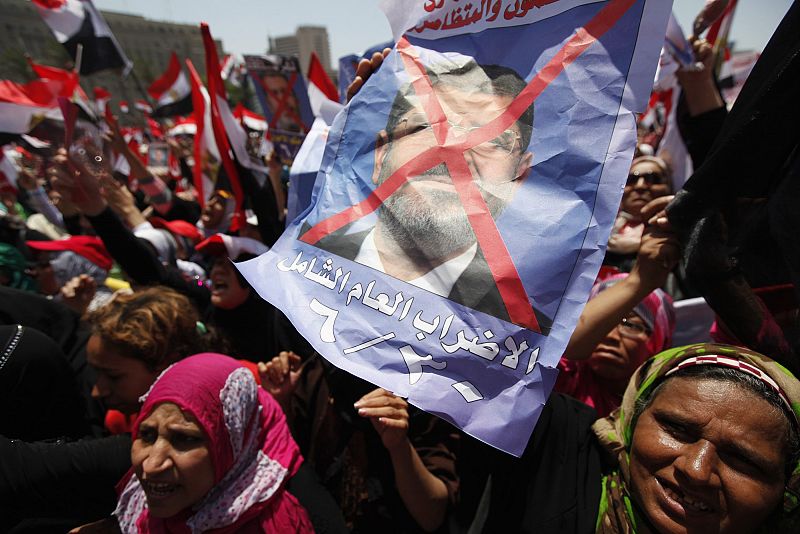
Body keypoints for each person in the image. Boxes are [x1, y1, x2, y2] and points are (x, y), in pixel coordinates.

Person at [308, 58, 551, 332]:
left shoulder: (524, 339)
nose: (454, 151)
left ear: (518, 178)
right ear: (381, 155)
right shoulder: (299, 265)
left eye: (492, 139)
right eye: (428, 126)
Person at [463, 343, 800, 533]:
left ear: (786, 488)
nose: (696, 470)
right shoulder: (559, 446)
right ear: (632, 419)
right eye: (677, 429)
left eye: (742, 459)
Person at [113, 353, 313, 532]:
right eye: (147, 435)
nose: (151, 465)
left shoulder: (276, 526)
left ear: (232, 447)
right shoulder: (138, 510)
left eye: (185, 439)